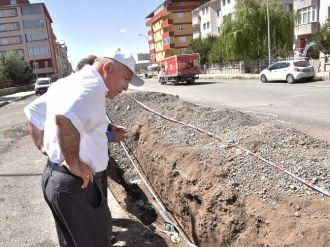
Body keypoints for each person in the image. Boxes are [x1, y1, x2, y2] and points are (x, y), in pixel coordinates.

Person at [24, 48, 144, 247]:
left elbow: (33, 112)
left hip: (58, 180)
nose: (126, 87)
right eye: (125, 78)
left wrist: (43, 146)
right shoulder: (93, 86)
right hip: (77, 186)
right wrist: (73, 164)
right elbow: (65, 119)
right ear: (107, 68)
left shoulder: (67, 83)